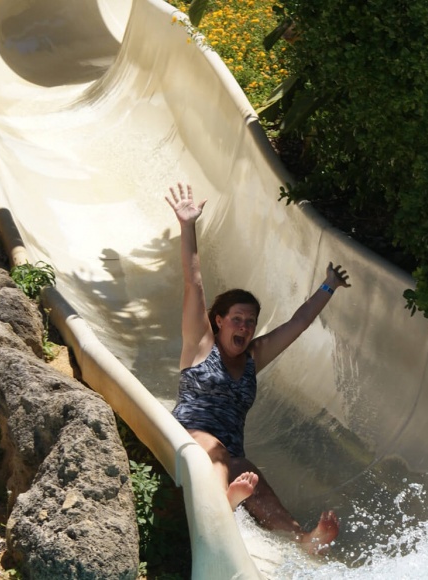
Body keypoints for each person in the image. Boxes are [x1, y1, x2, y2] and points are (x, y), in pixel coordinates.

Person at [164, 182, 349, 555]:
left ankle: (303, 538)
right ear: (218, 321)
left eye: (250, 322)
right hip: (188, 435)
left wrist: (328, 286)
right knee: (215, 449)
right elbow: (193, 282)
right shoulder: (200, 344)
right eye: (237, 319)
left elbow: (297, 324)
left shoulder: (252, 358)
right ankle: (225, 505)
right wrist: (188, 226)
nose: (244, 327)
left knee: (247, 468)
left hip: (230, 453)